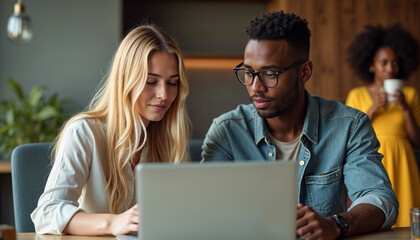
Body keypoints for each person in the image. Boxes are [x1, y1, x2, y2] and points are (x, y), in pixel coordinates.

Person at [201, 11, 398, 239]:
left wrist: (336, 224)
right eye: (248, 73)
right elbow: (209, 211)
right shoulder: (226, 132)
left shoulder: (349, 126)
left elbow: (380, 198)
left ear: (305, 72)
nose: (256, 87)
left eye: (270, 73)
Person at [31, 24, 190, 235]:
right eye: (151, 81)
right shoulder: (84, 132)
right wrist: (113, 223)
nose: (164, 94)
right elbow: (47, 213)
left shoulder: (170, 140)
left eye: (172, 83)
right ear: (126, 80)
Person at [346, 24, 420, 227]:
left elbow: (417, 141)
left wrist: (405, 108)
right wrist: (373, 109)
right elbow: (347, 135)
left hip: (404, 165)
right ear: (372, 64)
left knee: (408, 222)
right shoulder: (357, 95)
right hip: (371, 164)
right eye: (384, 63)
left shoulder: (410, 95)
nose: (390, 68)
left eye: (395, 63)